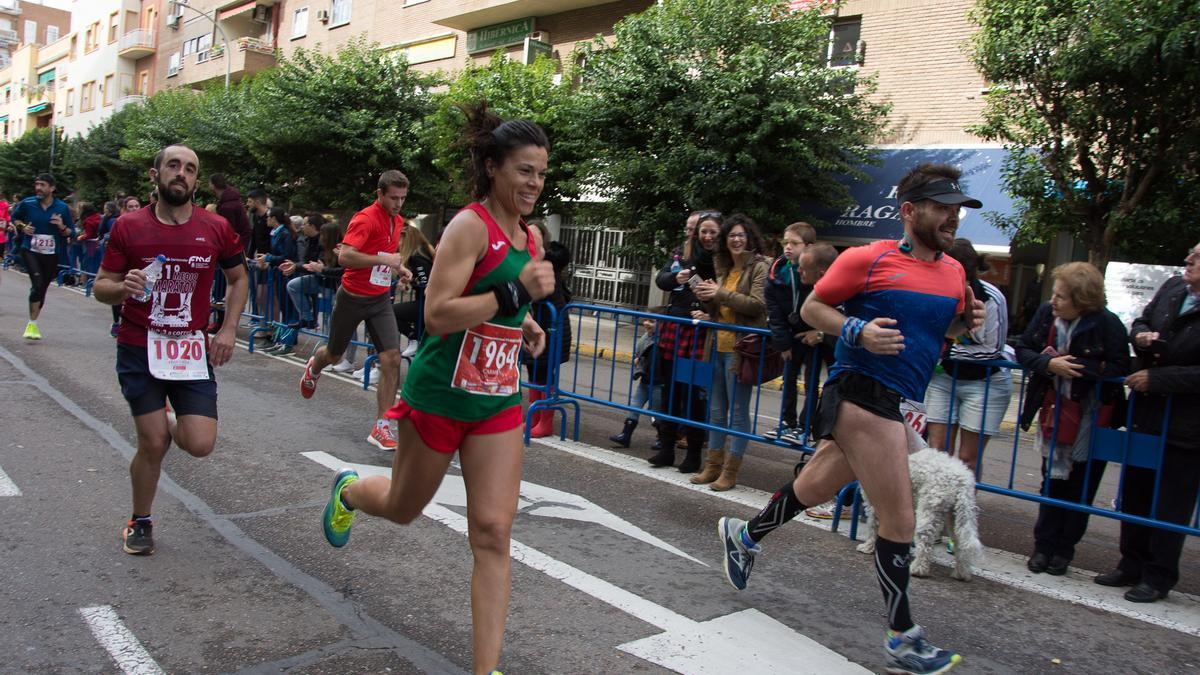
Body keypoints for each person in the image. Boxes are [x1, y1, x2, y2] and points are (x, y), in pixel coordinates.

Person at [717, 163, 987, 675]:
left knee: (813, 489)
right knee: (901, 519)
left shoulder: (954, 272)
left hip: (895, 400)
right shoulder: (869, 258)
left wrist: (963, 324)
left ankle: (743, 535)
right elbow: (814, 309)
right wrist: (858, 331)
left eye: (958, 209)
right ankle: (902, 637)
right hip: (860, 394)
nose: (953, 217)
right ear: (910, 212)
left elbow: (942, 333)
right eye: (942, 208)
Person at [320, 102, 555, 675]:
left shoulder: (530, 237)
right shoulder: (469, 225)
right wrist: (512, 297)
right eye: (525, 170)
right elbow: (438, 314)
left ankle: (486, 669)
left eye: (542, 173)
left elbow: (507, 297)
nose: (534, 183)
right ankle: (350, 491)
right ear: (495, 167)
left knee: (495, 531)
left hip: (497, 401)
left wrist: (524, 323)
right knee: (403, 508)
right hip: (440, 397)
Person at [92, 144, 249, 555]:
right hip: (139, 346)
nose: (182, 173)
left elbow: (238, 279)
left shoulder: (215, 227)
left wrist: (228, 329)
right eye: (174, 166)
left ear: (197, 180)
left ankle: (167, 417)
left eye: (191, 169)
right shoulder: (128, 226)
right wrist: (120, 287)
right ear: (156, 174)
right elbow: (100, 286)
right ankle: (139, 520)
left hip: (190, 349)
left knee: (199, 443)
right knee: (154, 442)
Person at [1095, 242, 1200, 603]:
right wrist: (1139, 334)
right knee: (1135, 494)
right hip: (1147, 416)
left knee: (1171, 502)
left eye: (1197, 257)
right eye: (1189, 253)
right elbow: (1141, 318)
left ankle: (1158, 576)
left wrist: (1159, 380)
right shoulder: (1173, 287)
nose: (1187, 260)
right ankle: (1131, 564)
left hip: (1187, 427)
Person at [1017, 261, 1128, 577]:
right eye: (1054, 294)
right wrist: (1049, 365)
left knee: (1081, 488)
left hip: (1092, 418)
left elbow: (1120, 366)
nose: (1054, 301)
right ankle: (1042, 547)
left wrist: (1078, 367)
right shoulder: (1045, 315)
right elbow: (1023, 349)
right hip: (1054, 413)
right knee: (1051, 483)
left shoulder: (1107, 323)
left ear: (1083, 301)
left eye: (1062, 297)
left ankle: (1064, 552)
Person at [299, 171, 413, 451]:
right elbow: (346, 256)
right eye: (393, 198)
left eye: (402, 198)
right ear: (380, 194)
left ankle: (382, 426)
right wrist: (384, 259)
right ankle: (315, 366)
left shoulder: (397, 221)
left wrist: (399, 268)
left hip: (379, 300)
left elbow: (383, 256)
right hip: (351, 297)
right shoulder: (365, 218)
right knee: (334, 354)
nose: (398, 204)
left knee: (392, 358)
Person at [691, 214, 770, 491]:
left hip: (741, 349)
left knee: (737, 412)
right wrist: (707, 301)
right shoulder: (722, 266)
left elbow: (757, 306)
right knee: (715, 410)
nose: (736, 240)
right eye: (731, 236)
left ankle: (730, 471)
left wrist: (719, 293)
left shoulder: (760, 266)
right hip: (716, 345)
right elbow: (721, 308)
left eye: (741, 235)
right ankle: (711, 466)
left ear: (750, 238)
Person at [924, 239, 1012, 474]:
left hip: (984, 383)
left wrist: (945, 351)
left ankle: (962, 510)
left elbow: (992, 349)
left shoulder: (992, 297)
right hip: (944, 379)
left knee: (967, 460)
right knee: (938, 452)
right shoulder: (934, 291)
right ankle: (934, 509)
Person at [652, 211, 720, 471]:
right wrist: (675, 278)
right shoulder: (680, 253)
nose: (703, 234)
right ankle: (666, 449)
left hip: (700, 332)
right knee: (670, 391)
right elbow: (662, 279)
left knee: (693, 396)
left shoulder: (721, 258)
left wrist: (710, 313)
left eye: (707, 230)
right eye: (696, 229)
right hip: (676, 328)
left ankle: (693, 455)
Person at [765, 221, 818, 445]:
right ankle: (788, 422)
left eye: (794, 243)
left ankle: (806, 427)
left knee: (812, 383)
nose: (788, 247)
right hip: (791, 335)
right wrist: (782, 343)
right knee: (789, 379)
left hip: (815, 337)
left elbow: (831, 303)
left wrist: (820, 330)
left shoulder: (819, 271)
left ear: (808, 246)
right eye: (786, 242)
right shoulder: (777, 272)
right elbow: (774, 312)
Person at [12, 173, 75, 340]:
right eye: (37, 184)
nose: (38, 188)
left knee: (43, 288)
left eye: (42, 185)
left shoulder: (62, 208)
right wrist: (23, 227)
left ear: (52, 188)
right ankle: (31, 324)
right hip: (30, 250)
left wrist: (61, 227)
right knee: (38, 284)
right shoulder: (28, 203)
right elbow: (15, 218)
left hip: (51, 254)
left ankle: (33, 322)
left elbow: (71, 232)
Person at [524, 239, 573, 438]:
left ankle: (545, 422)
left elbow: (533, 295)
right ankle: (535, 417)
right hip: (543, 330)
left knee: (544, 375)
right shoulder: (548, 272)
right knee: (535, 372)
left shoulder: (548, 274)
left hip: (550, 331)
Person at [392, 223, 437, 358]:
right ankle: (416, 339)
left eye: (399, 240)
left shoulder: (417, 257)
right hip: (427, 302)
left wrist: (413, 282)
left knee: (391, 312)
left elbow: (426, 282)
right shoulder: (423, 255)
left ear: (407, 240)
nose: (398, 243)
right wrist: (410, 281)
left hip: (426, 304)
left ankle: (414, 338)